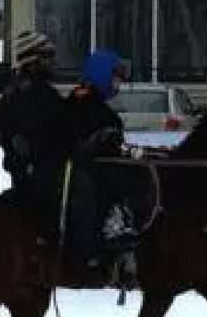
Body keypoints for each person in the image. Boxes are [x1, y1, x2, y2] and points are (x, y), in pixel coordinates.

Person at [60, 47, 146, 287]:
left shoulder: (75, 99)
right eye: (116, 77)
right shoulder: (98, 111)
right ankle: (116, 229)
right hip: (89, 177)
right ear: (103, 75)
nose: (118, 83)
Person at [0, 29, 64, 191]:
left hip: (25, 184)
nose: (54, 61)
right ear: (31, 61)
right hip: (45, 188)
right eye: (47, 55)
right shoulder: (40, 97)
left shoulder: (11, 95)